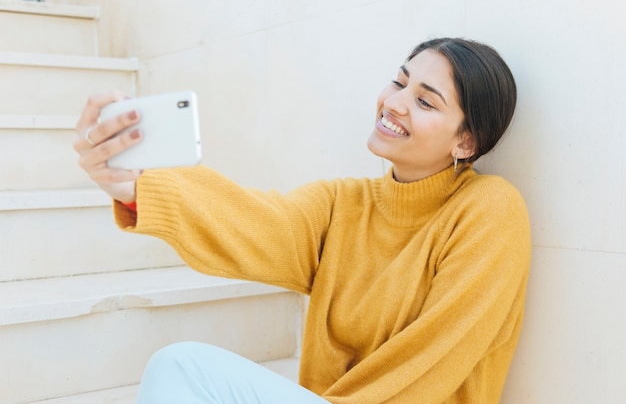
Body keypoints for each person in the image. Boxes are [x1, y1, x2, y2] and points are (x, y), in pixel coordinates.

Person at [74, 37, 532, 404]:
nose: (394, 103)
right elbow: (253, 225)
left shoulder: (490, 210)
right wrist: (137, 187)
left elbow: (436, 358)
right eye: (399, 82)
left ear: (466, 143)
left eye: (426, 102)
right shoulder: (343, 204)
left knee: (180, 366)